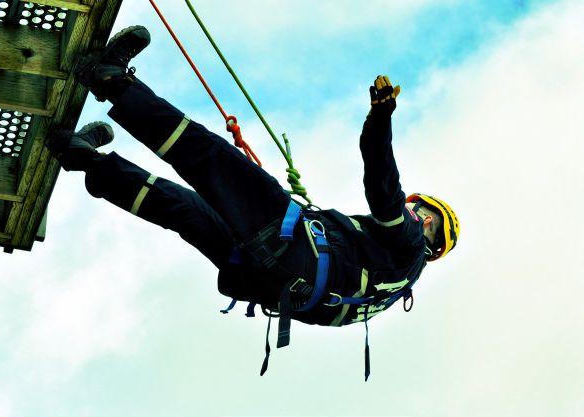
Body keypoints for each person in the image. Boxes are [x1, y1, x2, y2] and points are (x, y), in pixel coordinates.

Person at [48, 26, 460, 378]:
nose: (422, 220)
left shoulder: (409, 247)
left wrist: (379, 120)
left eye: (430, 224)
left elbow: (383, 189)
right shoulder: (384, 291)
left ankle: (110, 80)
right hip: (268, 279)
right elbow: (320, 313)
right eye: (426, 212)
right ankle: (85, 159)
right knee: (182, 209)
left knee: (206, 156)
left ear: (430, 244)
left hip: (293, 247)